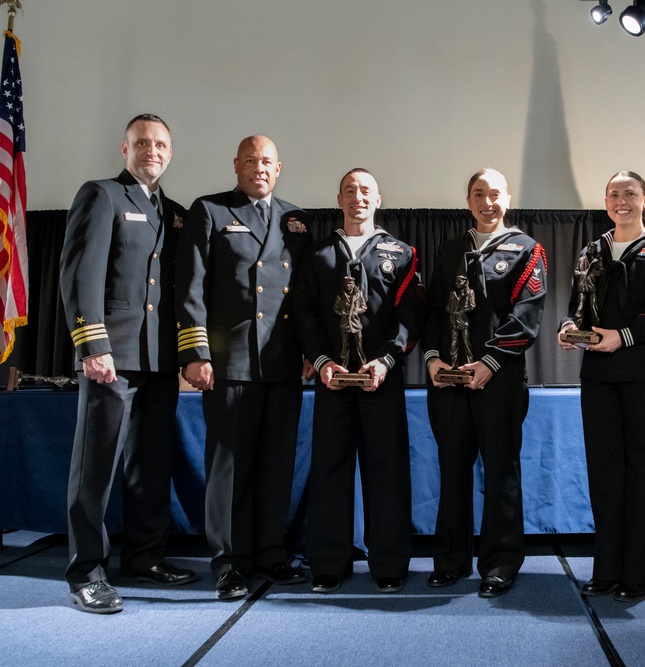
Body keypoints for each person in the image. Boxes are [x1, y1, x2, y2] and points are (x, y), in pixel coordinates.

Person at [60, 113, 196, 614]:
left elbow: (180, 293)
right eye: (142, 142)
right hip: (111, 358)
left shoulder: (176, 213)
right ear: (125, 149)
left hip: (159, 360)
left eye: (161, 143)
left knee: (149, 466)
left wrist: (186, 355)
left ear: (170, 152)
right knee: (94, 467)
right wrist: (92, 345)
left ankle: (144, 557)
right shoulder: (102, 195)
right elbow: (80, 275)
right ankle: (86, 572)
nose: (152, 150)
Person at [176, 135, 314, 601]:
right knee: (229, 467)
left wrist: (311, 354)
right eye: (251, 160)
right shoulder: (210, 210)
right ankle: (229, 563)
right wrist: (195, 354)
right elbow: (190, 288)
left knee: (277, 465)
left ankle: (271, 552)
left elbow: (307, 297)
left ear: (280, 169)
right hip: (230, 362)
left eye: (267, 161)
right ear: (236, 165)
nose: (259, 167)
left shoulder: (296, 220)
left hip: (282, 364)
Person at [558, 171, 645, 602]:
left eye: (630, 194)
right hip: (599, 378)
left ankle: (641, 571)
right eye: (614, 195)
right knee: (605, 472)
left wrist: (625, 335)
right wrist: (568, 328)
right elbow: (577, 306)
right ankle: (607, 569)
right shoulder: (591, 251)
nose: (622, 201)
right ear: (605, 202)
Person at [294, 168, 423, 594]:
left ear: (379, 198)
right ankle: (330, 563)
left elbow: (410, 319)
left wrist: (386, 361)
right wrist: (321, 359)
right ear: (339, 198)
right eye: (349, 190)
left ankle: (389, 564)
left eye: (365, 190)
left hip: (380, 382)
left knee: (386, 470)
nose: (358, 197)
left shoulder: (401, 254)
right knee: (330, 470)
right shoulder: (317, 255)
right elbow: (306, 316)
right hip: (332, 382)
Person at [423, 168, 547, 598]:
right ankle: (450, 561)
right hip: (450, 384)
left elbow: (527, 314)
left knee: (501, 473)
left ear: (507, 198)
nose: (486, 202)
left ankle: (500, 563)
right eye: (478, 194)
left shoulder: (527, 249)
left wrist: (490, 362)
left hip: (500, 380)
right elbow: (433, 311)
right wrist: (434, 358)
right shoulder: (450, 249)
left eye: (494, 194)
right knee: (452, 471)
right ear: (469, 200)